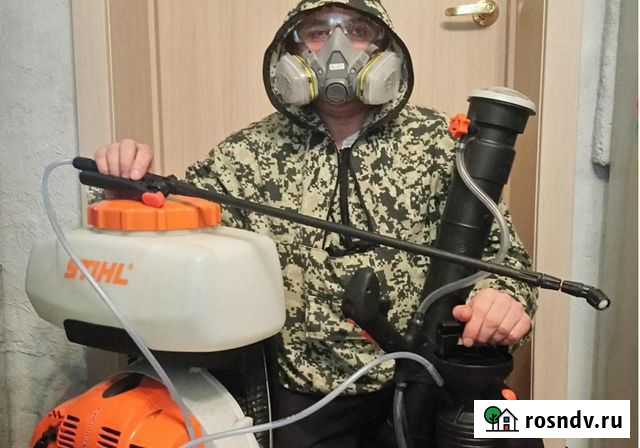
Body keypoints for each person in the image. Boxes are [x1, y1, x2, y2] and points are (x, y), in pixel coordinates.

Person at [94, 1, 538, 446]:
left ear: (385, 48)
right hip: (303, 396)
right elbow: (174, 233)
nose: (337, 47)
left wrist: (502, 299)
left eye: (358, 31)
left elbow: (506, 260)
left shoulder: (438, 143)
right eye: (318, 32)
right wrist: (124, 189)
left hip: (430, 382)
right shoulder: (248, 154)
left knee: (526, 429)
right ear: (291, 50)